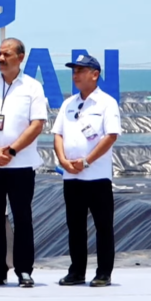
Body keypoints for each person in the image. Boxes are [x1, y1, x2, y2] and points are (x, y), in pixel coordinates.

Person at [0, 37, 48, 288]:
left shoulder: (32, 87)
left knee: (22, 217)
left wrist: (12, 150)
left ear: (20, 58)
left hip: (21, 165)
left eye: (7, 54)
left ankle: (24, 270)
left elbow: (37, 124)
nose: (1, 59)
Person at [53, 55, 121, 288]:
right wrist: (62, 159)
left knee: (103, 226)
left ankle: (103, 272)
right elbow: (58, 134)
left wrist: (87, 161)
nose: (76, 75)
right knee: (75, 226)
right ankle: (77, 271)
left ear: (95, 74)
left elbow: (110, 136)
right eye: (74, 70)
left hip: (97, 176)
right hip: (71, 176)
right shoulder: (68, 103)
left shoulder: (106, 103)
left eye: (81, 70)